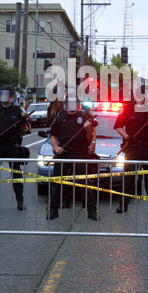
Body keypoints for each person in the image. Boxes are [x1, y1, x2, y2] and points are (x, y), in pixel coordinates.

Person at [49, 91, 99, 221]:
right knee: (58, 183)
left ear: (77, 104)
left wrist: (88, 129)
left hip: (79, 153)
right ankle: (53, 210)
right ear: (66, 104)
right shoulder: (60, 117)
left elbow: (89, 138)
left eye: (74, 102)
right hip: (64, 153)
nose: (71, 105)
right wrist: (55, 147)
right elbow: (53, 136)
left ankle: (91, 211)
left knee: (84, 183)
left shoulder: (84, 117)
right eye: (69, 102)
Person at [114, 85, 148, 215]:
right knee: (129, 177)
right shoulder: (127, 109)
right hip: (132, 148)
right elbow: (118, 126)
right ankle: (123, 205)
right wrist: (127, 137)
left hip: (146, 147)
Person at [0, 85, 30, 210]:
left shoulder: (17, 111)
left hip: (11, 146)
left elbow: (24, 130)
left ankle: (20, 201)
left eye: (6, 94)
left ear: (10, 96)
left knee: (16, 174)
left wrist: (23, 122)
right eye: (2, 94)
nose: (4, 96)